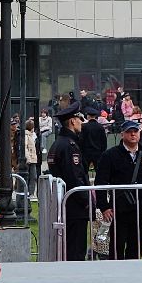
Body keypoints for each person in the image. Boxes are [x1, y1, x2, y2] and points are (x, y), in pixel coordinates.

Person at [94, 118, 142, 259]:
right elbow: (100, 182)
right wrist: (104, 207)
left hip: (141, 211)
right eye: (129, 132)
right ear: (122, 134)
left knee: (135, 247)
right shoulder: (110, 156)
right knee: (117, 248)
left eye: (135, 131)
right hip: (118, 210)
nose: (133, 135)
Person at [48, 103, 92, 260]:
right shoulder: (69, 146)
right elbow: (75, 177)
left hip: (67, 206)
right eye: (79, 119)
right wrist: (87, 201)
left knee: (69, 248)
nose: (81, 122)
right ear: (73, 121)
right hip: (74, 207)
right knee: (76, 250)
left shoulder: (58, 143)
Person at [81, 110, 108, 179]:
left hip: (86, 153)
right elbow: (104, 142)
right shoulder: (100, 127)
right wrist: (102, 151)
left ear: (88, 116)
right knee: (99, 172)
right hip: (98, 152)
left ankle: (86, 187)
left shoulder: (84, 127)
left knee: (84, 172)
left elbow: (81, 140)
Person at [21, 117, 40, 195]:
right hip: (30, 160)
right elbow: (25, 147)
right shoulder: (26, 135)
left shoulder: (32, 135)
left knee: (33, 177)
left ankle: (31, 193)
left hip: (33, 159)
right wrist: (28, 158)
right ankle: (29, 193)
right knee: (31, 177)